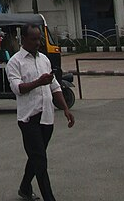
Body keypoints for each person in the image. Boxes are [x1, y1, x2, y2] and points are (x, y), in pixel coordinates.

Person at [6, 23, 74, 201]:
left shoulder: (44, 59)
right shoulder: (15, 62)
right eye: (34, 39)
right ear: (24, 40)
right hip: (29, 119)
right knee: (41, 161)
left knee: (37, 157)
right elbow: (17, 88)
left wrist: (66, 109)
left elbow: (54, 86)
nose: (38, 43)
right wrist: (38, 82)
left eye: (39, 39)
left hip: (47, 117)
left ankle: (24, 188)